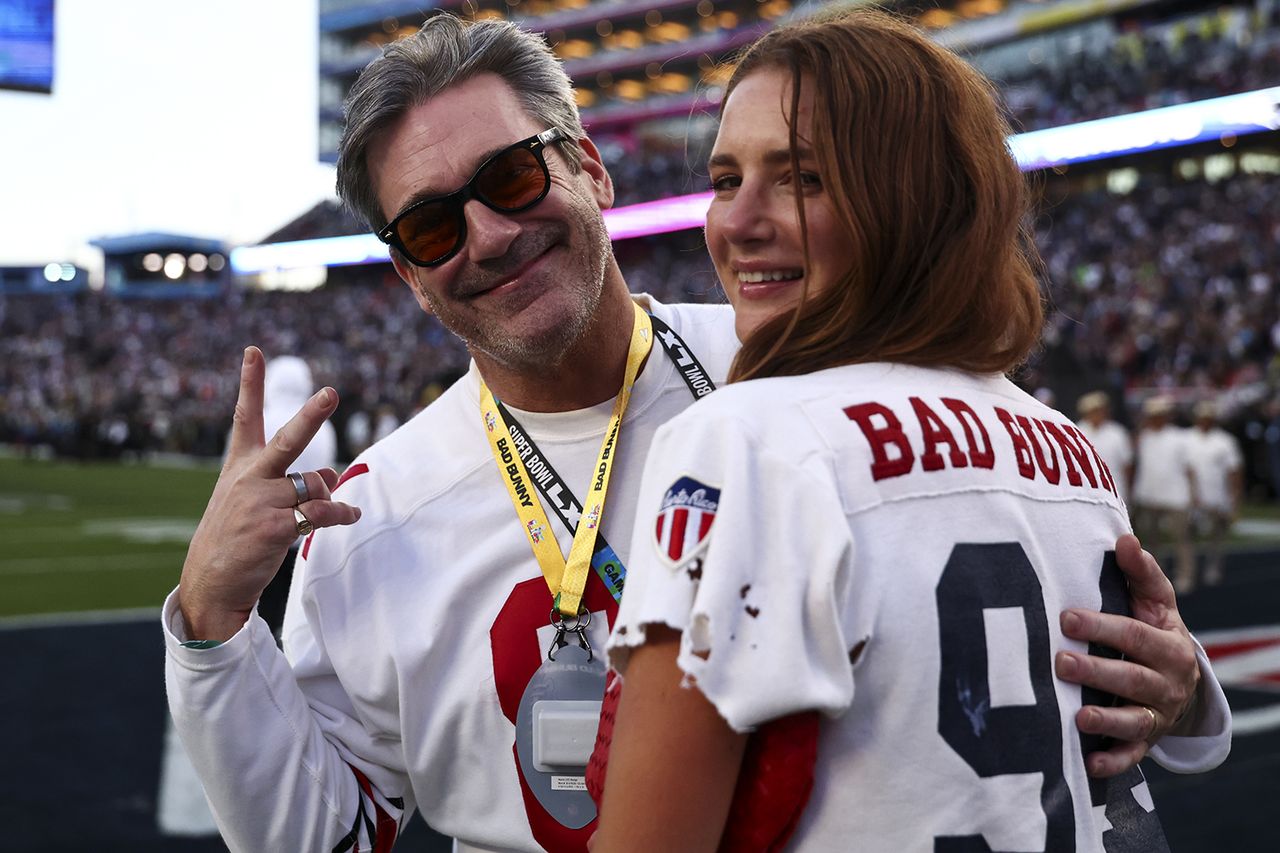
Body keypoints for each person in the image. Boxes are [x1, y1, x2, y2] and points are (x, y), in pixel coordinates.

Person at [163, 14, 1228, 853]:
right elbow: (324, 837)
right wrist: (212, 620)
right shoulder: (369, 513)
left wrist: (1169, 683)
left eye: (513, 178)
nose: (486, 236)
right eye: (433, 226)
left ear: (591, 167)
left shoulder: (802, 368)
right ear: (406, 272)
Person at [591, 11, 1229, 851]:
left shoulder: (745, 437)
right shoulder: (1070, 446)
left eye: (802, 178)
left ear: (914, 201)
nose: (737, 221)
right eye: (724, 179)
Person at [255, 354, 339, 637]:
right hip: (306, 536)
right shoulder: (324, 427)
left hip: (263, 535)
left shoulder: (260, 421)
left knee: (258, 618)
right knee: (295, 623)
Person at [1132, 395, 1198, 592]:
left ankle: (1185, 574)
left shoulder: (1179, 437)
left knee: (1181, 538)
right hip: (1149, 495)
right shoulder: (1144, 438)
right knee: (1151, 541)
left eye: (1158, 415)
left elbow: (1190, 469)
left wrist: (1194, 494)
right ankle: (1155, 578)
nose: (1154, 419)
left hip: (1176, 496)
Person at [1186, 400, 1244, 584]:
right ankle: (1189, 569)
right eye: (1202, 418)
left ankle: (1213, 567)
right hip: (1190, 497)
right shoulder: (1186, 438)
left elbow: (1234, 471)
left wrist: (1235, 497)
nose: (1204, 421)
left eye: (1208, 418)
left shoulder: (1225, 441)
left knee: (1216, 537)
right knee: (1188, 536)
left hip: (1218, 497)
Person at [1076, 390, 1134, 503]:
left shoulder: (1117, 433)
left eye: (1100, 410)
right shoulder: (1077, 431)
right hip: (1084, 492)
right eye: (1093, 411)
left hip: (1115, 492)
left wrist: (1128, 490)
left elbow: (1127, 465)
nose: (1097, 414)